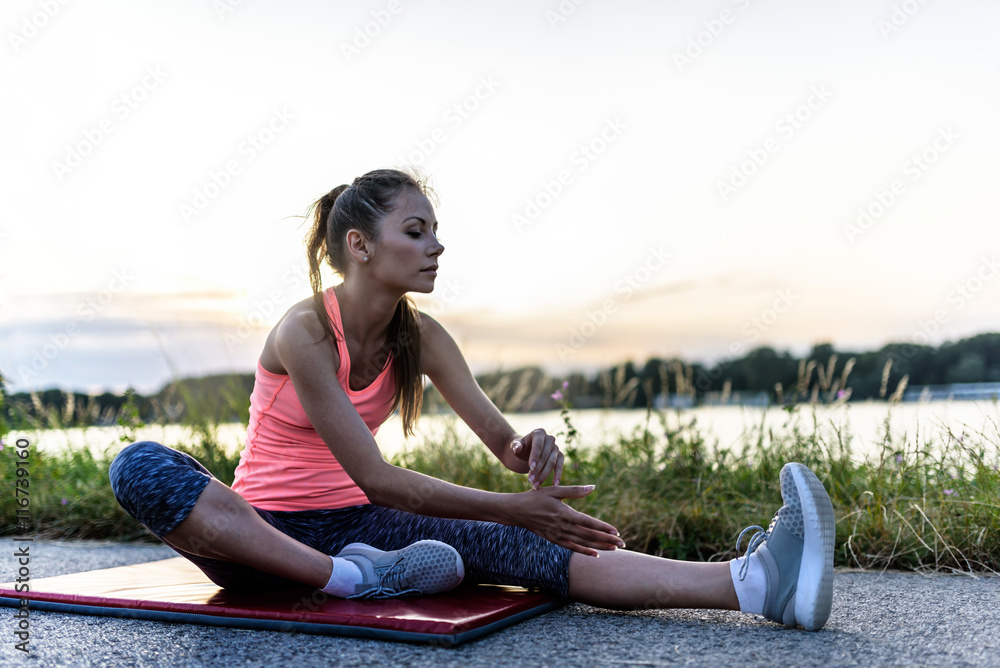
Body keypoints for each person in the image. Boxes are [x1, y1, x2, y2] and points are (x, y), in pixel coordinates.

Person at [109, 169, 835, 628]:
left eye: (436, 232)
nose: (436, 247)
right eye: (416, 232)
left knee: (537, 544)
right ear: (359, 246)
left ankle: (755, 583)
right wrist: (507, 503)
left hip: (367, 525)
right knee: (139, 466)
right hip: (268, 538)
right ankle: (347, 580)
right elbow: (379, 477)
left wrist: (530, 459)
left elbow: (502, 445)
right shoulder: (304, 331)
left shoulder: (421, 338)